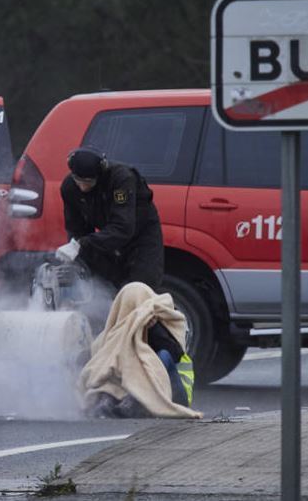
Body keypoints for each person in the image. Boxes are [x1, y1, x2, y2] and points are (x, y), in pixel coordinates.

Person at [78, 282, 200, 419]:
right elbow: (99, 357)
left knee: (163, 356)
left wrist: (154, 329)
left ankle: (136, 401)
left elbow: (176, 353)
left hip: (176, 394)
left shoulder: (165, 319)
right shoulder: (117, 332)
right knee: (113, 363)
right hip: (134, 386)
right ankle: (110, 401)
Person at [56, 147, 164, 290]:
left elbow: (123, 228)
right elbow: (76, 228)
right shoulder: (69, 188)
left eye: (88, 182)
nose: (82, 187)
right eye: (78, 181)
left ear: (99, 175)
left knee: (140, 287)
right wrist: (74, 250)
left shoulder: (121, 179)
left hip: (140, 235)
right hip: (106, 235)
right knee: (102, 282)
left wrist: (82, 243)